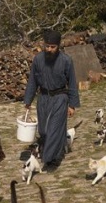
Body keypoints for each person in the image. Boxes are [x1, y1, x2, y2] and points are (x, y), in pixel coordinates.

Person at [23, 29, 80, 171]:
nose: (49, 49)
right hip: (43, 98)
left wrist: (72, 104)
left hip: (60, 98)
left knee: (54, 129)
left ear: (58, 46)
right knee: (43, 130)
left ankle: (51, 160)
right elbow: (32, 81)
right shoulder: (38, 59)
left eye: (52, 47)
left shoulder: (66, 60)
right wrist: (28, 101)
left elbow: (72, 83)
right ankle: (51, 151)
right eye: (47, 46)